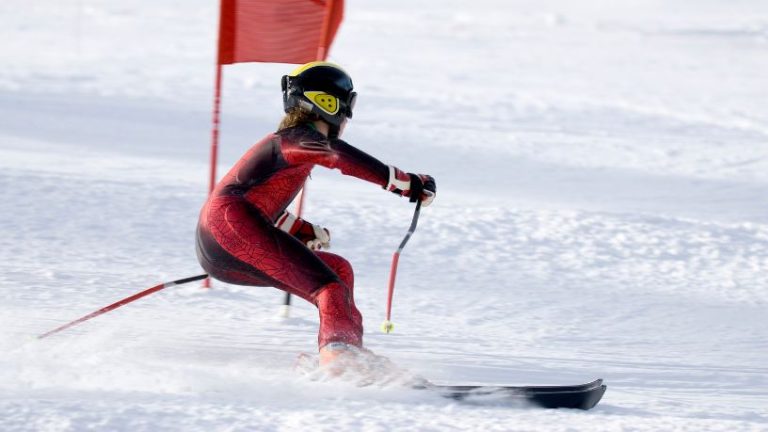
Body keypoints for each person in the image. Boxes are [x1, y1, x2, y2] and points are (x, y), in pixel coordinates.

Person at [196, 61, 436, 369]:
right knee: (328, 287)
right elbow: (337, 155)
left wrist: (298, 229)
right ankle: (339, 360)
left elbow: (260, 199)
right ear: (328, 104)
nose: (348, 116)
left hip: (225, 237)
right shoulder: (296, 138)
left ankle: (347, 350)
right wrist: (404, 183)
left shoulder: (292, 143)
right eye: (348, 106)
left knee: (338, 271)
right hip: (228, 228)